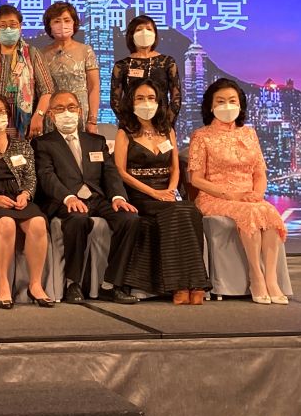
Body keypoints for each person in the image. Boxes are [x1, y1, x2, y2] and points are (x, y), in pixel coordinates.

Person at [33, 90, 142, 304]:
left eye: (71, 107)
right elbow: (46, 176)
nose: (67, 113)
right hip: (64, 200)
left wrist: (118, 197)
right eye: (60, 108)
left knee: (130, 219)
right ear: (51, 115)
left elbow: (110, 173)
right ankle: (73, 283)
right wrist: (68, 198)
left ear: (80, 111)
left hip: (97, 199)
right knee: (78, 219)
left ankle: (111, 284)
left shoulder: (96, 141)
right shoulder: (43, 143)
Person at [189, 79, 288, 305]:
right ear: (210, 106)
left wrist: (258, 194)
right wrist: (229, 195)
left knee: (270, 214)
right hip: (214, 197)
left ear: (240, 104)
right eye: (220, 101)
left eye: (232, 101)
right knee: (251, 213)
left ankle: (271, 279)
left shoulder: (249, 134)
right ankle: (256, 276)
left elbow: (260, 172)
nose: (227, 106)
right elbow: (195, 179)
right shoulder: (202, 136)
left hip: (248, 196)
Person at [113, 80, 210, 305]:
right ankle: (179, 286)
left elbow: (175, 167)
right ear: (131, 102)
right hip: (140, 193)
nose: (146, 103)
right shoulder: (125, 133)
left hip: (167, 191)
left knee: (189, 210)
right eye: (140, 98)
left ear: (159, 102)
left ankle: (195, 284)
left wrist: (170, 190)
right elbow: (120, 171)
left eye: (151, 98)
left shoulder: (167, 130)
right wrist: (154, 193)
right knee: (175, 211)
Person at [0, 93, 52, 309]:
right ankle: (3, 284)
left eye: (1, 111)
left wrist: (26, 194)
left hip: (17, 196)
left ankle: (35, 284)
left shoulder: (22, 145)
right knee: (5, 224)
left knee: (38, 223)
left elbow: (31, 176)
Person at [0, 5, 53, 139]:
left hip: (25, 125)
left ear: (20, 27)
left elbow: (47, 90)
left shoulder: (32, 53)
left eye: (13, 25)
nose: (8, 29)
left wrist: (39, 116)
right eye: (3, 26)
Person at [110, 15, 182, 125]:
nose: (144, 33)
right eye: (139, 29)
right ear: (131, 35)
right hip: (132, 125)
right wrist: (128, 123)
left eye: (149, 29)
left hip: (162, 123)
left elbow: (176, 96)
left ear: (155, 34)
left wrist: (166, 123)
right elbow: (115, 100)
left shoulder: (167, 62)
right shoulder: (121, 65)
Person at [40, 1, 99, 134]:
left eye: (67, 20)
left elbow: (94, 87)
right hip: (53, 113)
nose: (62, 25)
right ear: (49, 26)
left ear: (74, 23)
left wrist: (92, 120)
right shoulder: (41, 54)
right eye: (57, 21)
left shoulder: (86, 51)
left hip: (79, 114)